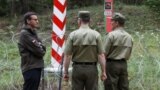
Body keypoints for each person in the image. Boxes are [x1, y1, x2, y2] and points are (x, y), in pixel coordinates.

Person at [63, 11, 107, 90]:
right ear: (90, 21)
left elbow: (67, 55)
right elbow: (101, 55)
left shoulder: (73, 35)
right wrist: (103, 71)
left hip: (77, 69)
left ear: (79, 20)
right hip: (92, 69)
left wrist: (66, 72)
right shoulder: (96, 35)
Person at [104, 13, 133, 90]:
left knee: (111, 86)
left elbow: (104, 53)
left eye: (112, 21)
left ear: (117, 23)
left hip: (112, 64)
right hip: (123, 64)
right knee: (123, 86)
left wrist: (103, 68)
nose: (111, 23)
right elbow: (129, 53)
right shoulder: (129, 36)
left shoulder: (111, 35)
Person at [18, 12, 46, 90]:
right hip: (30, 67)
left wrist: (40, 46)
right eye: (35, 20)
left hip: (35, 66)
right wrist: (40, 46)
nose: (37, 21)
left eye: (37, 20)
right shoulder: (25, 34)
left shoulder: (33, 33)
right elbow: (40, 51)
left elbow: (43, 48)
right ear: (28, 21)